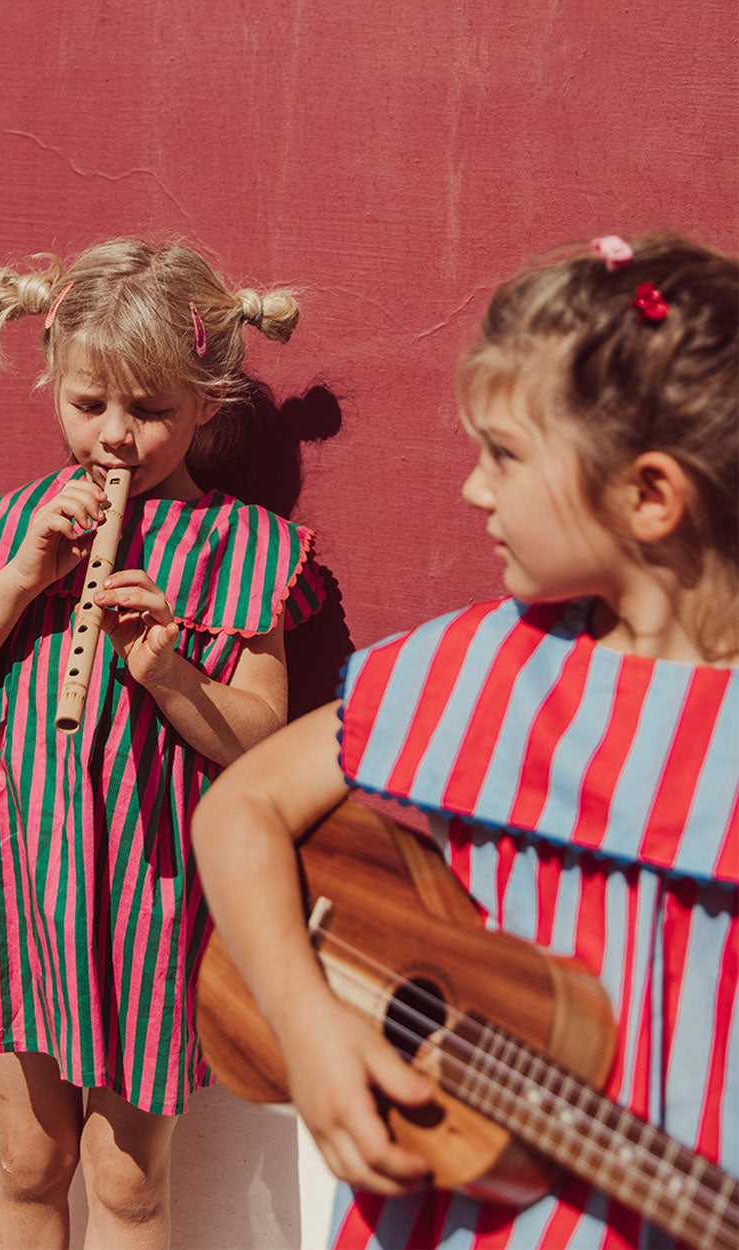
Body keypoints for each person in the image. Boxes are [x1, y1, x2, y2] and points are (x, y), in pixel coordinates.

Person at [192, 233, 738, 1249]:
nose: (473, 490)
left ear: (649, 495)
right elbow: (239, 809)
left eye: (506, 455)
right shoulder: (468, 667)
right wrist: (307, 1027)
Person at [0, 238, 324, 1250]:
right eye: (89, 404)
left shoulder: (246, 549)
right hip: (22, 876)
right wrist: (20, 578)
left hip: (152, 893)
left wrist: (168, 674)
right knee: (28, 1157)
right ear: (54, 381)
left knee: (126, 1180)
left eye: (150, 409)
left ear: (207, 406)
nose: (116, 436)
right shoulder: (13, 528)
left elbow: (261, 737)